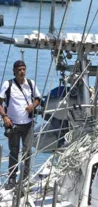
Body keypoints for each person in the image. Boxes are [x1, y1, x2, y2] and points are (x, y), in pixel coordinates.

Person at [0, 60, 41, 190]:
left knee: (27, 151)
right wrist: (5, 117)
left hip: (28, 124)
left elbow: (38, 99)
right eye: (19, 70)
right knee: (14, 151)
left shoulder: (31, 83)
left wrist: (32, 106)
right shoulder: (8, 84)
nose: (21, 72)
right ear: (14, 71)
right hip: (13, 125)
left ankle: (25, 178)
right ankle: (12, 179)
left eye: (23, 69)